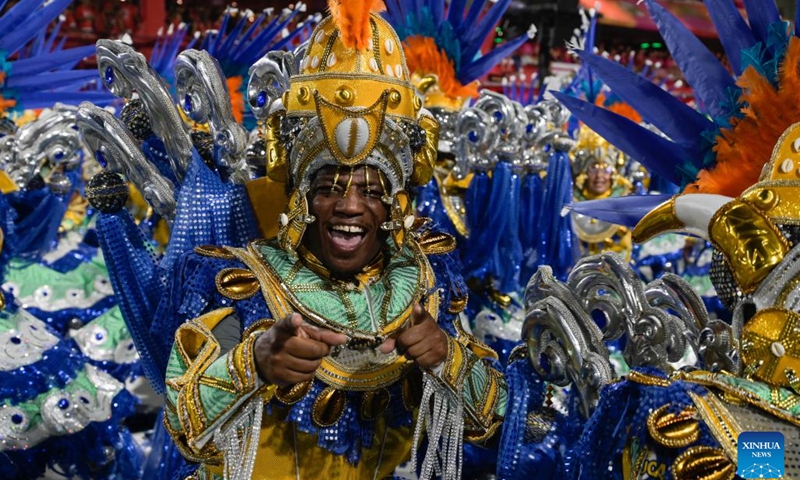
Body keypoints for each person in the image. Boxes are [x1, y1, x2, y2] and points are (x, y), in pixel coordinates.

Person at [160, 3, 506, 479]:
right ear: (301, 198)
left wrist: (447, 358)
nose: (348, 207)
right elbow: (183, 424)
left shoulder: (426, 277)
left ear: (394, 205)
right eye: (328, 188)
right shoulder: (240, 283)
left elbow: (493, 421)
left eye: (372, 190)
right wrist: (253, 365)